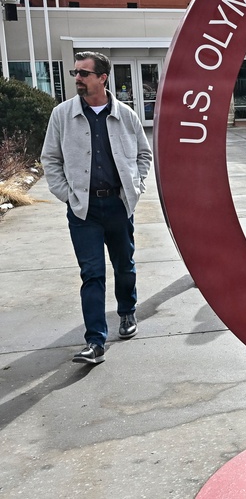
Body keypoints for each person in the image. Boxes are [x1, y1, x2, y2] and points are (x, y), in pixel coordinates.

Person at [41, 51, 152, 365]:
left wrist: (135, 186)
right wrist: (68, 195)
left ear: (103, 77)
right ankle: (95, 341)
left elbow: (144, 155)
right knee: (91, 273)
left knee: (124, 266)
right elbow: (50, 159)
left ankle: (127, 312)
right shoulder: (62, 115)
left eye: (84, 73)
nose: (77, 78)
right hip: (83, 209)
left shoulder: (126, 114)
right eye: (76, 72)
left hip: (118, 205)